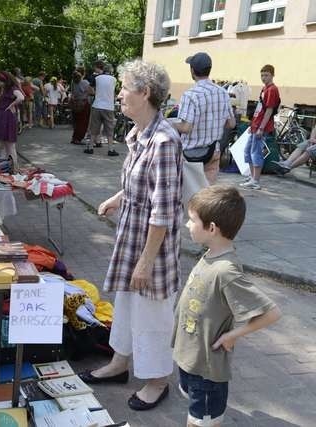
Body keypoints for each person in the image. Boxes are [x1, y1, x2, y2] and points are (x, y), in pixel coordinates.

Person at [78, 59, 183, 412]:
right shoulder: (139, 134)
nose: (119, 93)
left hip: (150, 245)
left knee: (152, 313)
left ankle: (157, 381)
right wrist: (116, 198)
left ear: (145, 93)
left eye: (125, 87)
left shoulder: (165, 141)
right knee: (125, 303)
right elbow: (141, 185)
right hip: (132, 237)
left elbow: (165, 210)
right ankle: (119, 364)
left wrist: (145, 262)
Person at [175, 185, 281, 426]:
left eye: (192, 220)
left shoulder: (226, 270)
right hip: (191, 359)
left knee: (201, 421)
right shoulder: (210, 254)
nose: (187, 224)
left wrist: (233, 335)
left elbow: (272, 313)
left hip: (208, 370)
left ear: (211, 228)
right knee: (195, 409)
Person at [174, 52, 236, 185]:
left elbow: (186, 127)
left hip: (190, 154)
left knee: (189, 194)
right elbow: (231, 123)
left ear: (192, 70)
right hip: (213, 151)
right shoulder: (223, 93)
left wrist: (169, 123)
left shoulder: (190, 95)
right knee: (206, 195)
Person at [240, 64, 280, 190]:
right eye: (262, 75)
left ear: (272, 75)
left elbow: (269, 110)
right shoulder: (265, 88)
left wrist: (261, 128)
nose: (263, 78)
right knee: (248, 151)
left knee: (255, 152)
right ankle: (253, 177)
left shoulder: (272, 89)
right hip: (255, 125)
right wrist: (253, 125)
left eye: (266, 75)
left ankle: (256, 181)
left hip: (262, 126)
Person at [86, 61, 119, 156]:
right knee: (109, 129)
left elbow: (89, 88)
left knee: (94, 128)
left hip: (97, 105)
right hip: (108, 107)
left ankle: (90, 148)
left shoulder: (97, 78)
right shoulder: (114, 79)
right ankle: (110, 149)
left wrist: (96, 93)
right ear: (111, 70)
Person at [0, 71, 24, 170]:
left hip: (8, 118)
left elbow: (21, 97)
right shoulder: (7, 89)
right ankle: (4, 167)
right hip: (4, 118)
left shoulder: (12, 88)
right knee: (5, 145)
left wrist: (12, 105)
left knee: (10, 145)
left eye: (0, 81)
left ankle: (14, 168)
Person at [69, 70, 92, 145]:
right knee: (83, 122)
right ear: (83, 74)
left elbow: (72, 92)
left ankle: (74, 137)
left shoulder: (73, 82)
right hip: (83, 103)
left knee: (76, 122)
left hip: (75, 103)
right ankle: (78, 138)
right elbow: (91, 92)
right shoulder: (85, 82)